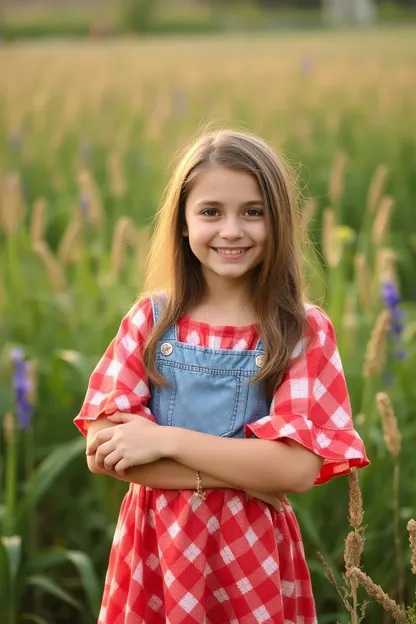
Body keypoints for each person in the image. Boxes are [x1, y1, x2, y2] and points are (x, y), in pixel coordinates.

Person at [74, 128, 369, 624]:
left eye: (253, 212)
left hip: (251, 559)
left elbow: (295, 471)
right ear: (184, 224)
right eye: (211, 212)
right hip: (156, 557)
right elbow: (105, 453)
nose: (231, 230)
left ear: (278, 223)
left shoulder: (300, 330)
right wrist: (251, 474)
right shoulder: (150, 322)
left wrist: (162, 439)